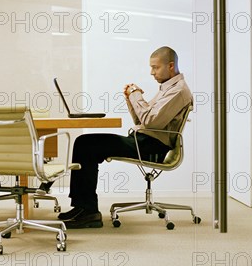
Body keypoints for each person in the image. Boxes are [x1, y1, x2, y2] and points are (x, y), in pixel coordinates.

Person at [60, 46, 193, 229]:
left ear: (171, 66)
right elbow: (143, 120)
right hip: (144, 141)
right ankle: (83, 207)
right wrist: (131, 99)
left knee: (87, 144)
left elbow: (150, 121)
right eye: (151, 67)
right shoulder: (168, 88)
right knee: (86, 143)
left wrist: (135, 94)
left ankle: (87, 210)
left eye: (155, 67)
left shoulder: (177, 91)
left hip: (151, 147)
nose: (151, 72)